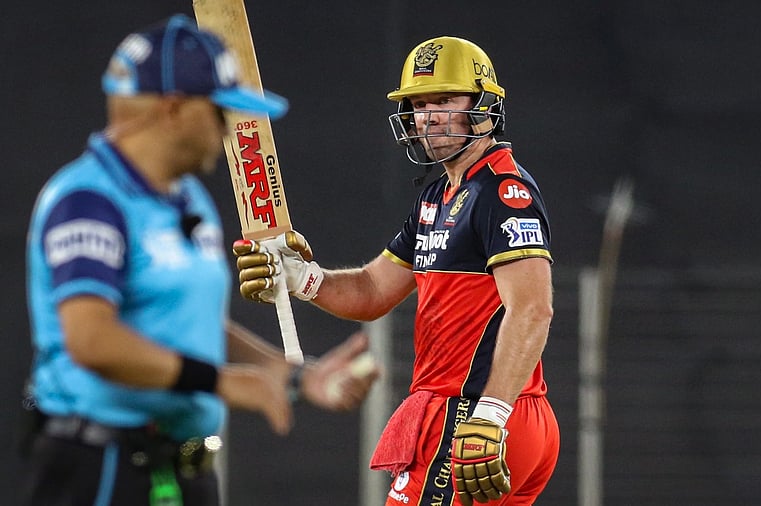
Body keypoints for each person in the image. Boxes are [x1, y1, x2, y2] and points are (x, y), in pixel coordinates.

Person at [21, 15, 379, 506]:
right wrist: (220, 382)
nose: (228, 129)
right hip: (102, 468)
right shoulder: (88, 200)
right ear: (173, 109)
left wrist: (290, 373)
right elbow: (92, 339)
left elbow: (189, 325)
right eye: (220, 112)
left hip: (183, 470)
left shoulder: (189, 200)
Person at [234, 36, 560, 505]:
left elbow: (532, 309)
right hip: (490, 413)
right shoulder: (435, 198)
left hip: (476, 413)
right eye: (420, 103)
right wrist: (301, 278)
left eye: (445, 99)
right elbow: (371, 290)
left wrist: (489, 415)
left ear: (485, 105)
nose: (429, 115)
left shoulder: (502, 191)